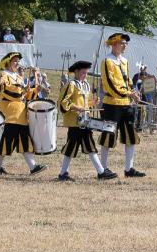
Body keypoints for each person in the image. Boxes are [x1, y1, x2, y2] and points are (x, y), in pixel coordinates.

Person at [56, 60, 116, 181]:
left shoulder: (85, 85)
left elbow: (84, 103)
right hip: (75, 121)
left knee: (81, 146)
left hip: (84, 121)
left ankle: (64, 173)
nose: (85, 75)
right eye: (83, 72)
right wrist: (77, 108)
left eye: (86, 73)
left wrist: (92, 103)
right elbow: (63, 102)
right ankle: (100, 172)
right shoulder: (71, 85)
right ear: (76, 72)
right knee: (81, 146)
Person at [0, 51, 45, 176]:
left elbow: (25, 95)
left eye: (18, 61)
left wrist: (35, 90)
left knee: (25, 140)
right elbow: (6, 90)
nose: (17, 63)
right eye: (15, 61)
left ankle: (33, 167)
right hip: (9, 113)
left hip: (20, 113)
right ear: (8, 63)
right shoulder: (4, 75)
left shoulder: (19, 77)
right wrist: (22, 90)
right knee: (6, 141)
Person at [98, 32, 145, 177]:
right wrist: (128, 93)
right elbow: (110, 84)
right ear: (114, 44)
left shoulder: (124, 61)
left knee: (130, 135)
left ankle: (129, 168)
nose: (125, 45)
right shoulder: (107, 61)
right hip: (112, 104)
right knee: (108, 135)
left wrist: (133, 92)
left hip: (126, 104)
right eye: (122, 43)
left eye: (126, 43)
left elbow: (128, 81)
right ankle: (103, 169)